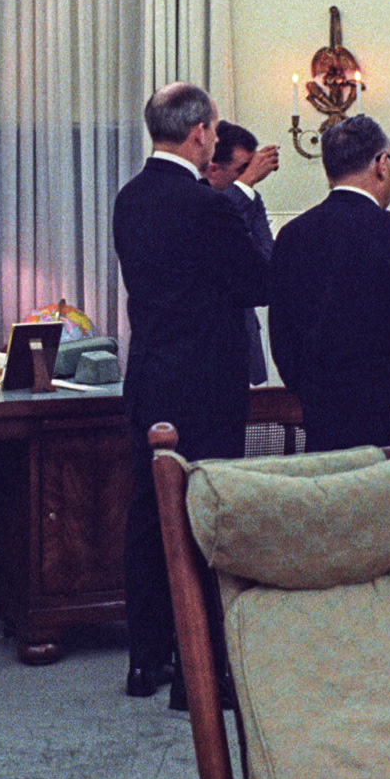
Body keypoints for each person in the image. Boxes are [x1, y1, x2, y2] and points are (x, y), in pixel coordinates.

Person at [112, 82, 265, 704]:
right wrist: (246, 192)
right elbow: (258, 280)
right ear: (202, 131)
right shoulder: (208, 206)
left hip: (149, 375)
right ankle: (202, 671)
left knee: (149, 516)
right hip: (205, 382)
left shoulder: (130, 198)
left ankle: (147, 661)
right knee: (206, 518)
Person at [268, 114, 390, 456]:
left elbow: (283, 339)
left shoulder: (292, 236)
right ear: (382, 164)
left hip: (322, 424)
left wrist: (314, 395)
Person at [203, 121, 279, 385]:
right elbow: (212, 241)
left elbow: (268, 262)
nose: (253, 175)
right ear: (213, 170)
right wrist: (244, 185)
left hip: (244, 337)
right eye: (242, 170)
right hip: (207, 346)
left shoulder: (251, 200)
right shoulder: (196, 200)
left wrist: (245, 187)